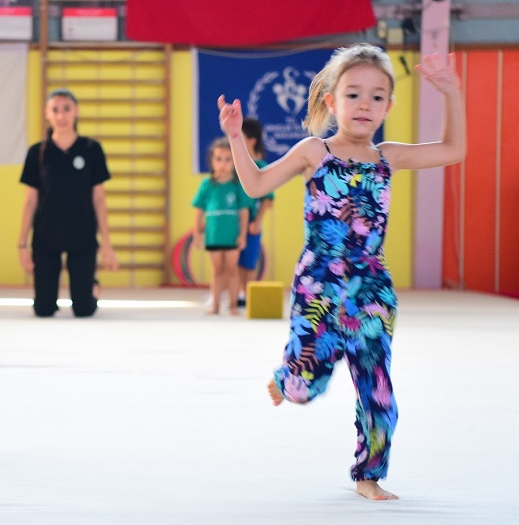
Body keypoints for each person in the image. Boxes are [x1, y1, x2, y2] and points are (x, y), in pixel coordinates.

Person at [218, 44, 465, 500]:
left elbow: (454, 149)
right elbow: (254, 184)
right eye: (353, 94)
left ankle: (368, 475)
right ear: (332, 101)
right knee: (301, 389)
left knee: (378, 392)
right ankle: (288, 375)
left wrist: (451, 92)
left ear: (389, 106)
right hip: (319, 289)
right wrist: (236, 137)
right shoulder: (314, 151)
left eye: (376, 97)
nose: (365, 105)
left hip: (372, 292)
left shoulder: (388, 157)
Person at [18, 88, 119, 317]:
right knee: (43, 310)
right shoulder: (37, 152)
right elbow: (30, 200)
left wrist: (107, 243)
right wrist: (22, 244)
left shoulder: (92, 150)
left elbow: (99, 199)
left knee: (83, 310)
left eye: (66, 109)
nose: (61, 116)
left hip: (82, 235)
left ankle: (91, 285)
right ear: (47, 113)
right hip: (46, 235)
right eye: (55, 110)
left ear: (76, 112)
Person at [192, 138, 252, 316]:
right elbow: (199, 210)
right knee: (217, 270)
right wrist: (197, 233)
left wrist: (242, 234)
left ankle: (233, 305)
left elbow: (244, 212)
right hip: (213, 236)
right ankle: (215, 304)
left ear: (234, 161)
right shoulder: (207, 185)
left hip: (231, 236)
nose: (223, 164)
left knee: (232, 270)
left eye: (228, 159)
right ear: (212, 161)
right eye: (218, 159)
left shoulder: (237, 185)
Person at [236, 118, 275, 307]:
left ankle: (247, 294)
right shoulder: (234, 164)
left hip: (252, 223)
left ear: (251, 140)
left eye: (240, 136)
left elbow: (268, 200)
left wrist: (257, 221)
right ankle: (237, 294)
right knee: (234, 261)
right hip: (234, 223)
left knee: (249, 262)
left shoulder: (260, 165)